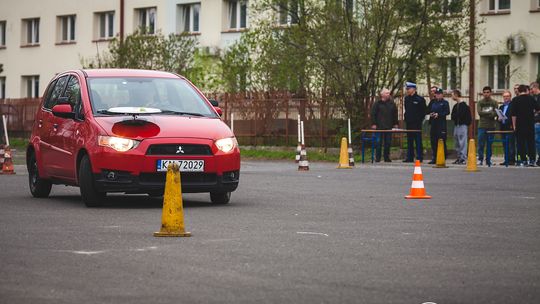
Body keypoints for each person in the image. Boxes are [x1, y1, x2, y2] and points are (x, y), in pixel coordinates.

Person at [511, 85, 540, 166]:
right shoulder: (531, 98)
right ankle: (532, 159)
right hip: (530, 124)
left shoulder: (515, 100)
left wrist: (514, 126)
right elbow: (538, 109)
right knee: (531, 142)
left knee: (521, 143)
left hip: (520, 124)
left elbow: (513, 115)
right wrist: (533, 113)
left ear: (519, 91)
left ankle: (523, 160)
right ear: (526, 90)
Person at [371, 88, 398, 162]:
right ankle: (378, 158)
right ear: (382, 94)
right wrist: (373, 123)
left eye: (389, 93)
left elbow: (395, 114)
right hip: (379, 126)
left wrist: (395, 123)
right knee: (378, 142)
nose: (388, 94)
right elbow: (373, 114)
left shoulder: (392, 103)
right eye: (386, 93)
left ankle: (386, 157)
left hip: (389, 126)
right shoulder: (377, 103)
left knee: (388, 143)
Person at [403, 82, 426, 162]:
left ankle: (419, 157)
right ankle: (410, 157)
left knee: (418, 140)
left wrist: (419, 120)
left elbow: (423, 111)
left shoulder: (420, 99)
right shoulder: (407, 98)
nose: (407, 90)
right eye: (407, 89)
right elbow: (407, 110)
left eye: (409, 89)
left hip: (417, 123)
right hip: (409, 122)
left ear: (414, 89)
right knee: (409, 140)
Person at [426, 88, 450, 164]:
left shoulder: (445, 103)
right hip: (434, 124)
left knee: (442, 140)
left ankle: (443, 156)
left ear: (442, 95)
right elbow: (428, 110)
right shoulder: (433, 102)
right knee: (433, 141)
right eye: (436, 94)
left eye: (439, 94)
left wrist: (438, 115)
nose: (438, 95)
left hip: (441, 124)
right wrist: (431, 114)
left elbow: (447, 112)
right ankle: (434, 157)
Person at [477, 86, 498, 166]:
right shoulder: (480, 102)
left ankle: (488, 159)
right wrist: (490, 112)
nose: (486, 94)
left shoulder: (494, 102)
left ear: (490, 93)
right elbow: (479, 112)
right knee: (481, 143)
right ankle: (480, 159)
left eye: (487, 92)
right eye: (484, 92)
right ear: (483, 93)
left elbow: (495, 113)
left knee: (490, 144)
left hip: (491, 126)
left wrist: (485, 113)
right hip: (482, 126)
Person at [450, 89, 471, 164]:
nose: (451, 97)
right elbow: (453, 116)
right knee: (457, 141)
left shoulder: (464, 106)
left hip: (462, 125)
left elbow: (467, 117)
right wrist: (456, 118)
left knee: (462, 141)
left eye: (452, 95)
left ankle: (463, 157)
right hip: (457, 125)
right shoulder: (455, 106)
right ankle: (458, 157)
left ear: (456, 95)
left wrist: (464, 122)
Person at [498, 90, 516, 165]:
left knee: (510, 144)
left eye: (507, 96)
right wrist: (499, 118)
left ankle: (511, 160)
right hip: (503, 127)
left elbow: (513, 115)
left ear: (510, 97)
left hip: (510, 126)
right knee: (504, 144)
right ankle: (506, 159)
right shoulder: (501, 107)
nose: (506, 98)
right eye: (504, 96)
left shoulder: (513, 105)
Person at [530, 82, 540, 166]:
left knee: (537, 141)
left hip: (538, 122)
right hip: (535, 121)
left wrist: (536, 111)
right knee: (536, 142)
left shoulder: (538, 97)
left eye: (531, 89)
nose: (531, 91)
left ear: (535, 88)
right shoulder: (534, 97)